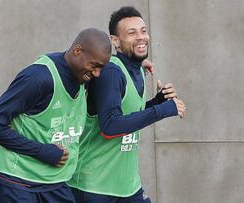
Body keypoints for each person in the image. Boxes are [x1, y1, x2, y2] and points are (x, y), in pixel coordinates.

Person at [68, 7, 186, 203]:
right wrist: (162, 110)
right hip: (94, 187)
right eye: (131, 33)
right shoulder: (111, 73)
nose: (141, 37)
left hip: (127, 186)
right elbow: (111, 126)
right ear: (116, 41)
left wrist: (158, 102)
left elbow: (128, 117)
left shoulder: (139, 69)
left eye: (143, 30)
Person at [0, 28, 112, 203]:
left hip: (54, 184)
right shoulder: (38, 77)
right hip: (16, 182)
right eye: (94, 66)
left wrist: (135, 64)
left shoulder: (83, 77)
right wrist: (41, 151)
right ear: (78, 51)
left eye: (101, 68)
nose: (97, 73)